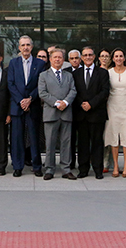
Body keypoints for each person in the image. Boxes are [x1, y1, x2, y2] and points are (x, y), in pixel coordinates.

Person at [8, 35, 47, 177]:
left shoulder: (40, 64)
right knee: (17, 138)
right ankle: (18, 166)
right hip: (17, 106)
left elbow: (41, 85)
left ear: (32, 47)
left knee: (34, 137)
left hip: (33, 105)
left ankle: (37, 167)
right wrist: (21, 101)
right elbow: (10, 84)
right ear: (19, 48)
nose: (25, 47)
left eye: (28, 45)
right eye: (23, 45)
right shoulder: (13, 63)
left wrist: (30, 98)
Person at [38, 48, 77, 180]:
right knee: (50, 143)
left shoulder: (69, 75)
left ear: (63, 60)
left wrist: (65, 102)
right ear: (50, 59)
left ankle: (66, 169)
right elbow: (42, 93)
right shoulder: (43, 75)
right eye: (55, 57)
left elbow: (73, 91)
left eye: (60, 57)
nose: (57, 59)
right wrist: (56, 103)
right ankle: (49, 169)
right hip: (51, 114)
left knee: (66, 143)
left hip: (66, 113)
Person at [72, 46, 110, 179]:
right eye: (85, 55)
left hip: (96, 113)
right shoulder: (76, 73)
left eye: (90, 55)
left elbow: (105, 91)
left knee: (97, 143)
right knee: (82, 144)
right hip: (81, 114)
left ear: (94, 57)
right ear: (81, 58)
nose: (87, 57)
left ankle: (98, 169)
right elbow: (73, 91)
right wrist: (82, 103)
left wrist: (91, 104)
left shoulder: (102, 73)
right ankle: (83, 169)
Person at [104, 48, 126, 177]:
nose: (118, 58)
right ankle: (116, 165)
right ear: (113, 58)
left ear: (124, 58)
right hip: (112, 105)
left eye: (120, 56)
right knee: (114, 135)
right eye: (116, 56)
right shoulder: (108, 72)